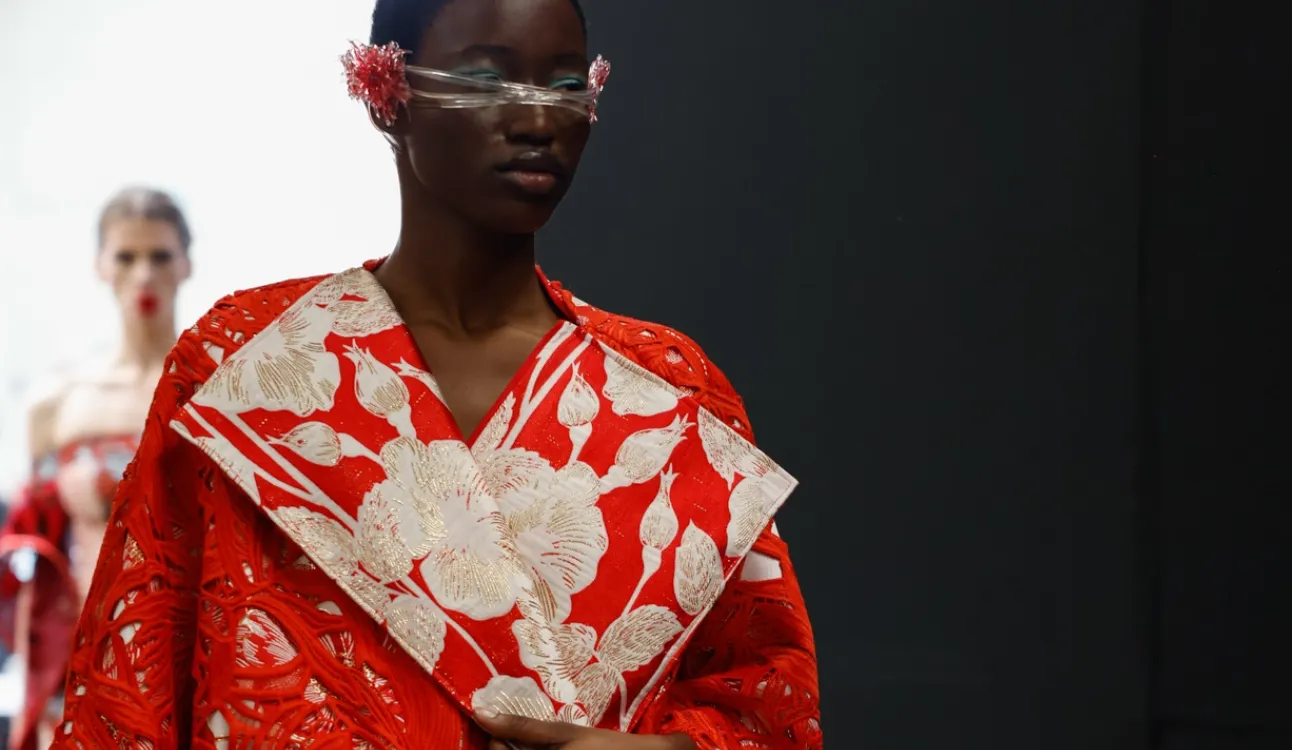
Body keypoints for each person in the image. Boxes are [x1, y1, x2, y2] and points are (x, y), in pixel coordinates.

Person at [52, 1, 822, 748]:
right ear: (386, 95)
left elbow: (768, 704)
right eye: (486, 81)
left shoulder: (668, 389)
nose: (537, 120)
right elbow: (132, 696)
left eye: (563, 86)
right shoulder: (245, 363)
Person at [0, 186, 193, 750]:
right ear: (100, 265)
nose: (143, 275)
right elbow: (31, 541)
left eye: (159, 255)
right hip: (82, 653)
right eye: (126, 257)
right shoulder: (57, 404)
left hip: (191, 649)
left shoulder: (215, 389)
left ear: (186, 262)